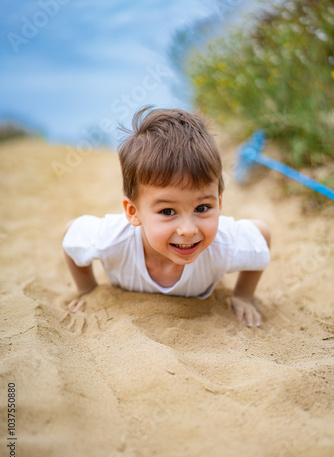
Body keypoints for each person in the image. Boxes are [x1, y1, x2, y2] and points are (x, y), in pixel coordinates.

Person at [62, 107, 270, 327]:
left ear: (219, 204)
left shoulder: (224, 244)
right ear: (133, 213)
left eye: (202, 208)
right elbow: (71, 234)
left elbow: (262, 234)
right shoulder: (111, 240)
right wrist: (88, 290)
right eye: (168, 212)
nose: (188, 230)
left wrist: (243, 295)